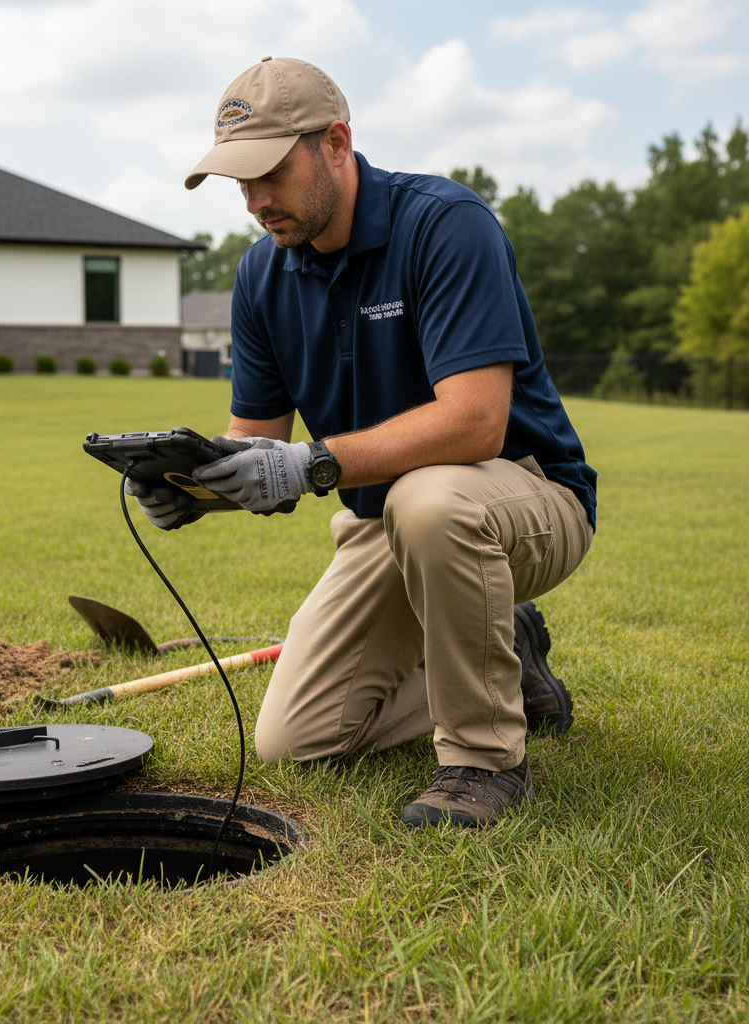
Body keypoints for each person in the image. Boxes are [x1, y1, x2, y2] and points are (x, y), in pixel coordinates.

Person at [128, 57, 596, 829]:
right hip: (385, 525)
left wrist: (314, 464)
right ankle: (503, 657)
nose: (254, 201)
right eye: (238, 183)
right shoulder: (261, 274)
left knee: (431, 499)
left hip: (525, 496)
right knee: (294, 738)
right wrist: (191, 487)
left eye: (269, 173)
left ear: (336, 143)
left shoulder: (444, 225)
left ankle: (483, 763)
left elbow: (476, 422)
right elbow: (257, 442)